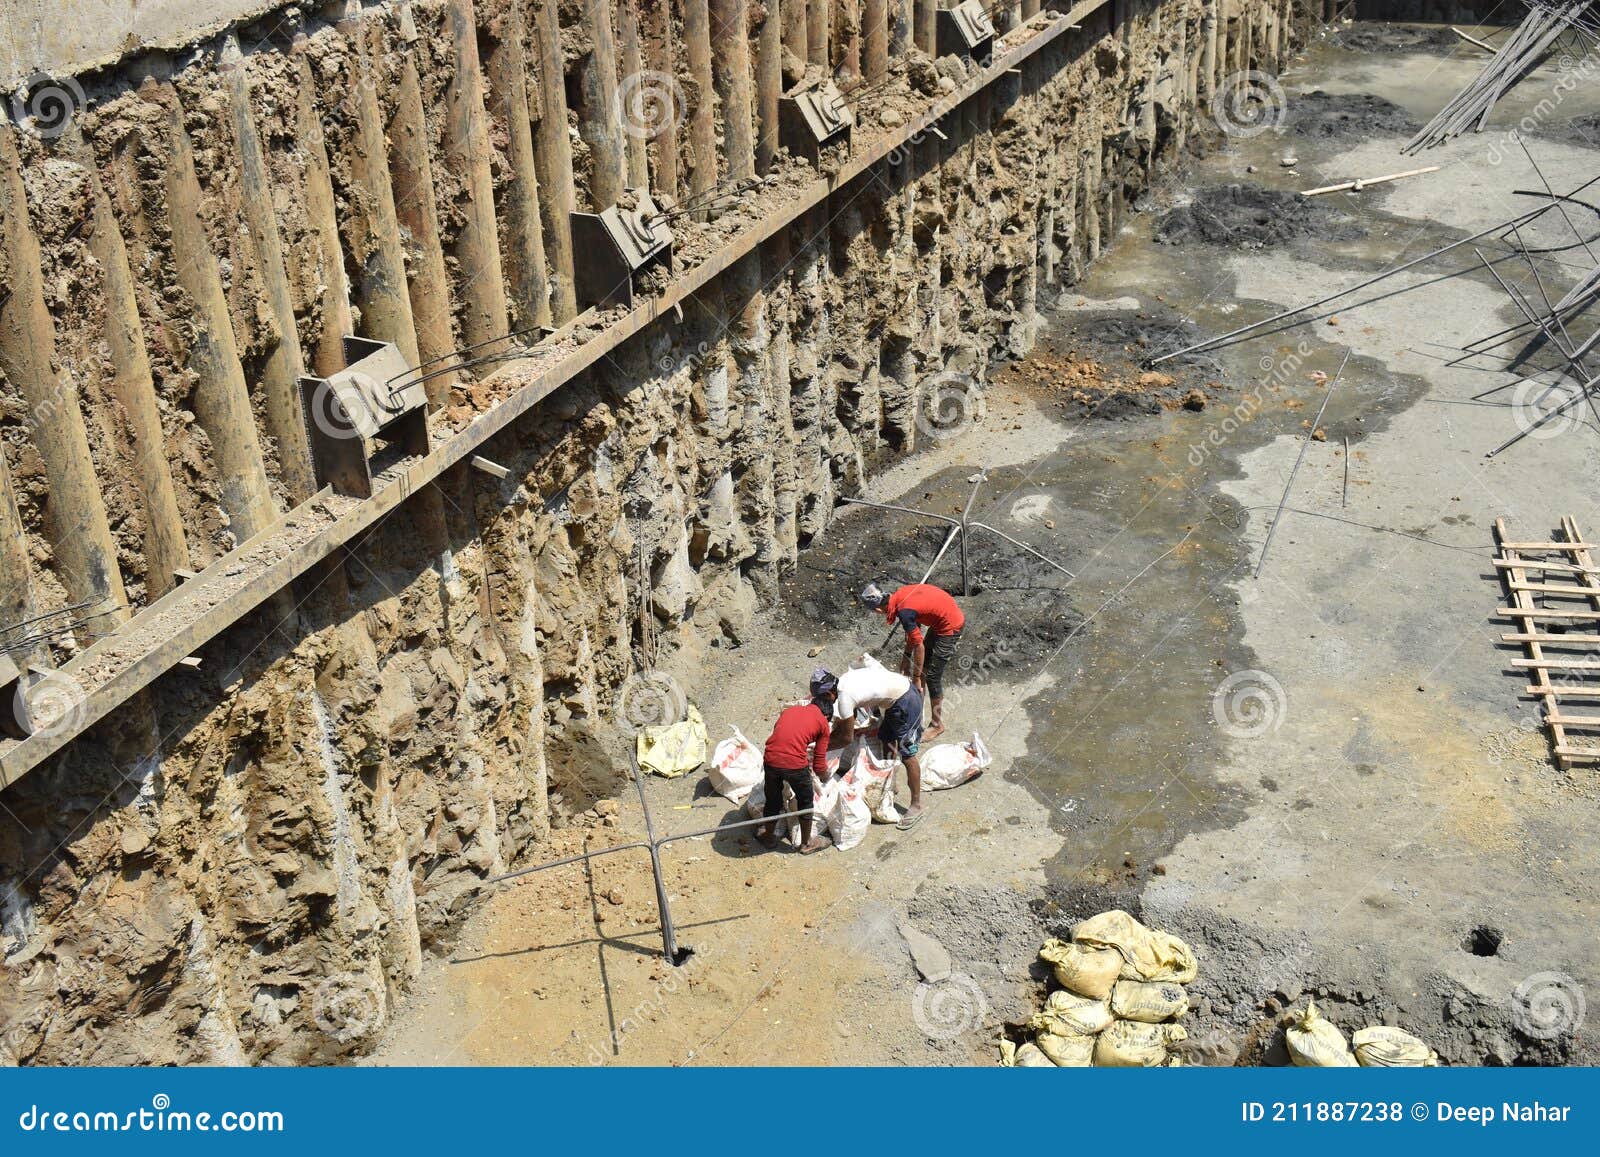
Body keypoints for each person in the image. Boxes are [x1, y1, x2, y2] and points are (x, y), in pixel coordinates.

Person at [859, 580, 964, 742]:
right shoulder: (900, 596)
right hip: (941, 618)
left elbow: (919, 645)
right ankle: (917, 715)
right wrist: (906, 659)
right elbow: (914, 632)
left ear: (879, 609)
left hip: (950, 625)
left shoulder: (904, 611)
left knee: (932, 677)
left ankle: (937, 725)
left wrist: (915, 678)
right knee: (922, 670)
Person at [830, 663, 928, 831]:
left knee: (908, 756)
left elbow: (846, 738)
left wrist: (824, 747)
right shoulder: (843, 682)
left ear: (829, 693)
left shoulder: (845, 698)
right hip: (896, 699)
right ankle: (890, 779)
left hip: (906, 702)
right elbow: (848, 721)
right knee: (886, 738)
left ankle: (916, 805)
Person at [755, 669, 837, 854]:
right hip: (794, 766)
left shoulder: (791, 710)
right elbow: (818, 764)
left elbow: (780, 735)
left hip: (770, 759)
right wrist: (826, 777)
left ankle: (768, 836)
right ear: (827, 715)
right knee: (805, 802)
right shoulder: (823, 724)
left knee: (773, 800)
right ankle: (806, 843)